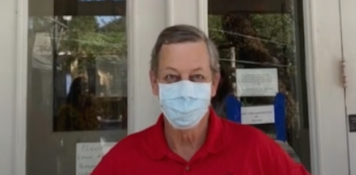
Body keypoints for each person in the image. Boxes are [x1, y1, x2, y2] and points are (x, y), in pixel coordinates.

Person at [91, 24, 310, 175]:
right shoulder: (123, 160)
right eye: (171, 77)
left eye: (197, 77)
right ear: (154, 82)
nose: (185, 89)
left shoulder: (255, 150)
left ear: (214, 83)